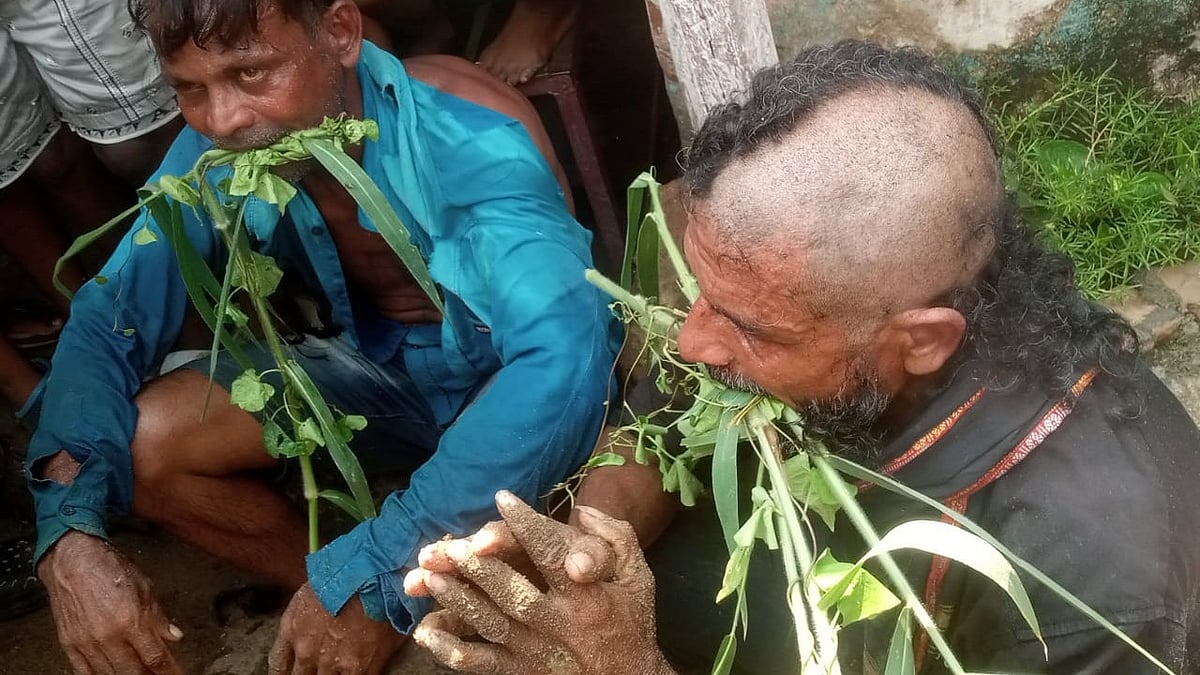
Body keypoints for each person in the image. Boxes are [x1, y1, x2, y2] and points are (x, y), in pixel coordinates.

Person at [405, 40, 1200, 674]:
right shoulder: (796, 311)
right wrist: (592, 547)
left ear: (921, 340)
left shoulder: (1101, 587)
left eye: (753, 329)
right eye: (702, 295)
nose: (690, 341)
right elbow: (666, 412)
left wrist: (620, 664)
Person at [24, 0, 620, 673]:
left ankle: (381, 592)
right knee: (146, 443)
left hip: (500, 384)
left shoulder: (470, 138)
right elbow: (109, 314)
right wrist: (66, 530)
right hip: (381, 373)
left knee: (588, 472)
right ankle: (322, 592)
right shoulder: (217, 149)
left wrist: (380, 561)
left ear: (340, 33)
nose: (222, 119)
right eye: (189, 88)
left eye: (251, 74)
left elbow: (561, 361)